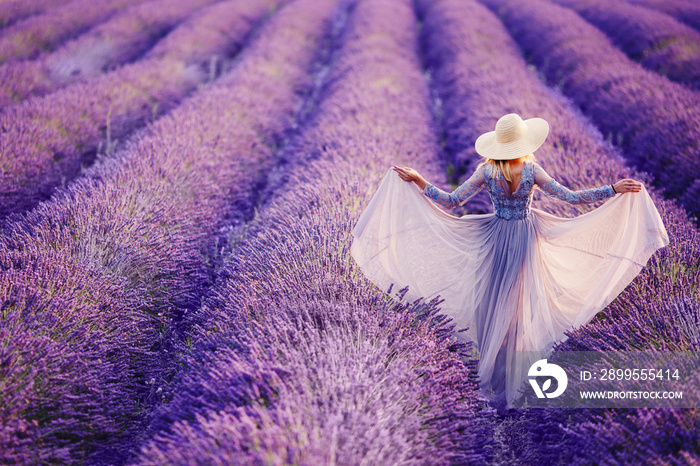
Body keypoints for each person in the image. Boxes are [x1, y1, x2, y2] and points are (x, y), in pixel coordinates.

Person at [350, 113, 669, 414]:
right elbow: (571, 198)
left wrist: (419, 180)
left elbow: (451, 202)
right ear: (524, 143)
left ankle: (495, 379)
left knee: (492, 302)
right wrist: (613, 189)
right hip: (525, 240)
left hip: (495, 239)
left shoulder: (487, 171)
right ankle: (521, 383)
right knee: (521, 307)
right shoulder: (531, 170)